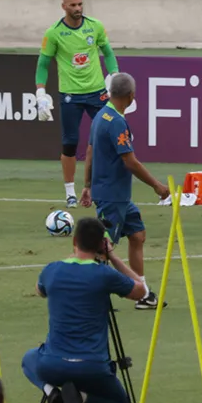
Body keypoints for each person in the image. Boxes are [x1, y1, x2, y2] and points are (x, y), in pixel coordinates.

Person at [22, 217, 147, 403]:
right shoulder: (105, 275)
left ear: (74, 241)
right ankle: (82, 397)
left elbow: (40, 291)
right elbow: (142, 291)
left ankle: (52, 391)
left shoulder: (52, 270)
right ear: (101, 245)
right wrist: (112, 257)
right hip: (93, 367)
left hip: (53, 364)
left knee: (29, 359)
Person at [80, 72, 170, 309]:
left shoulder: (100, 116)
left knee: (137, 235)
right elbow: (130, 161)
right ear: (131, 96)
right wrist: (157, 186)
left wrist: (87, 185)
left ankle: (143, 294)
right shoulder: (117, 122)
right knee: (102, 248)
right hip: (113, 196)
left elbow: (89, 152)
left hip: (117, 195)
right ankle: (93, 298)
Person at [35, 0, 121, 208]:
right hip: (70, 95)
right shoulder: (54, 33)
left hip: (97, 92)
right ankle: (70, 192)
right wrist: (40, 93)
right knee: (70, 143)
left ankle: (103, 186)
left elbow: (108, 53)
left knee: (107, 138)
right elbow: (43, 65)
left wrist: (114, 75)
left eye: (80, 4)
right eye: (73, 5)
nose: (78, 9)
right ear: (63, 6)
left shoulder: (95, 26)